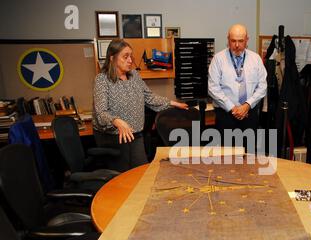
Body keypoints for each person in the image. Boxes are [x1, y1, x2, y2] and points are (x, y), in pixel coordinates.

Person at [93, 39, 188, 172]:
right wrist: (116, 121)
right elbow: (101, 112)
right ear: (112, 58)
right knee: (123, 176)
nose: (130, 60)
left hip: (135, 134)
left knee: (141, 171)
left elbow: (149, 97)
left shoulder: (135, 76)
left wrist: (172, 103)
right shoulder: (102, 80)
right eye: (125, 56)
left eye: (131, 56)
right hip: (114, 136)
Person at [208, 24, 267, 145]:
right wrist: (233, 108)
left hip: (249, 114)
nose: (236, 45)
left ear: (247, 40)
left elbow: (262, 86)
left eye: (240, 41)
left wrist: (247, 105)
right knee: (226, 156)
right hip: (226, 115)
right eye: (233, 40)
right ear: (228, 39)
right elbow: (213, 88)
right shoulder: (218, 59)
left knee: (248, 155)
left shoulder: (255, 59)